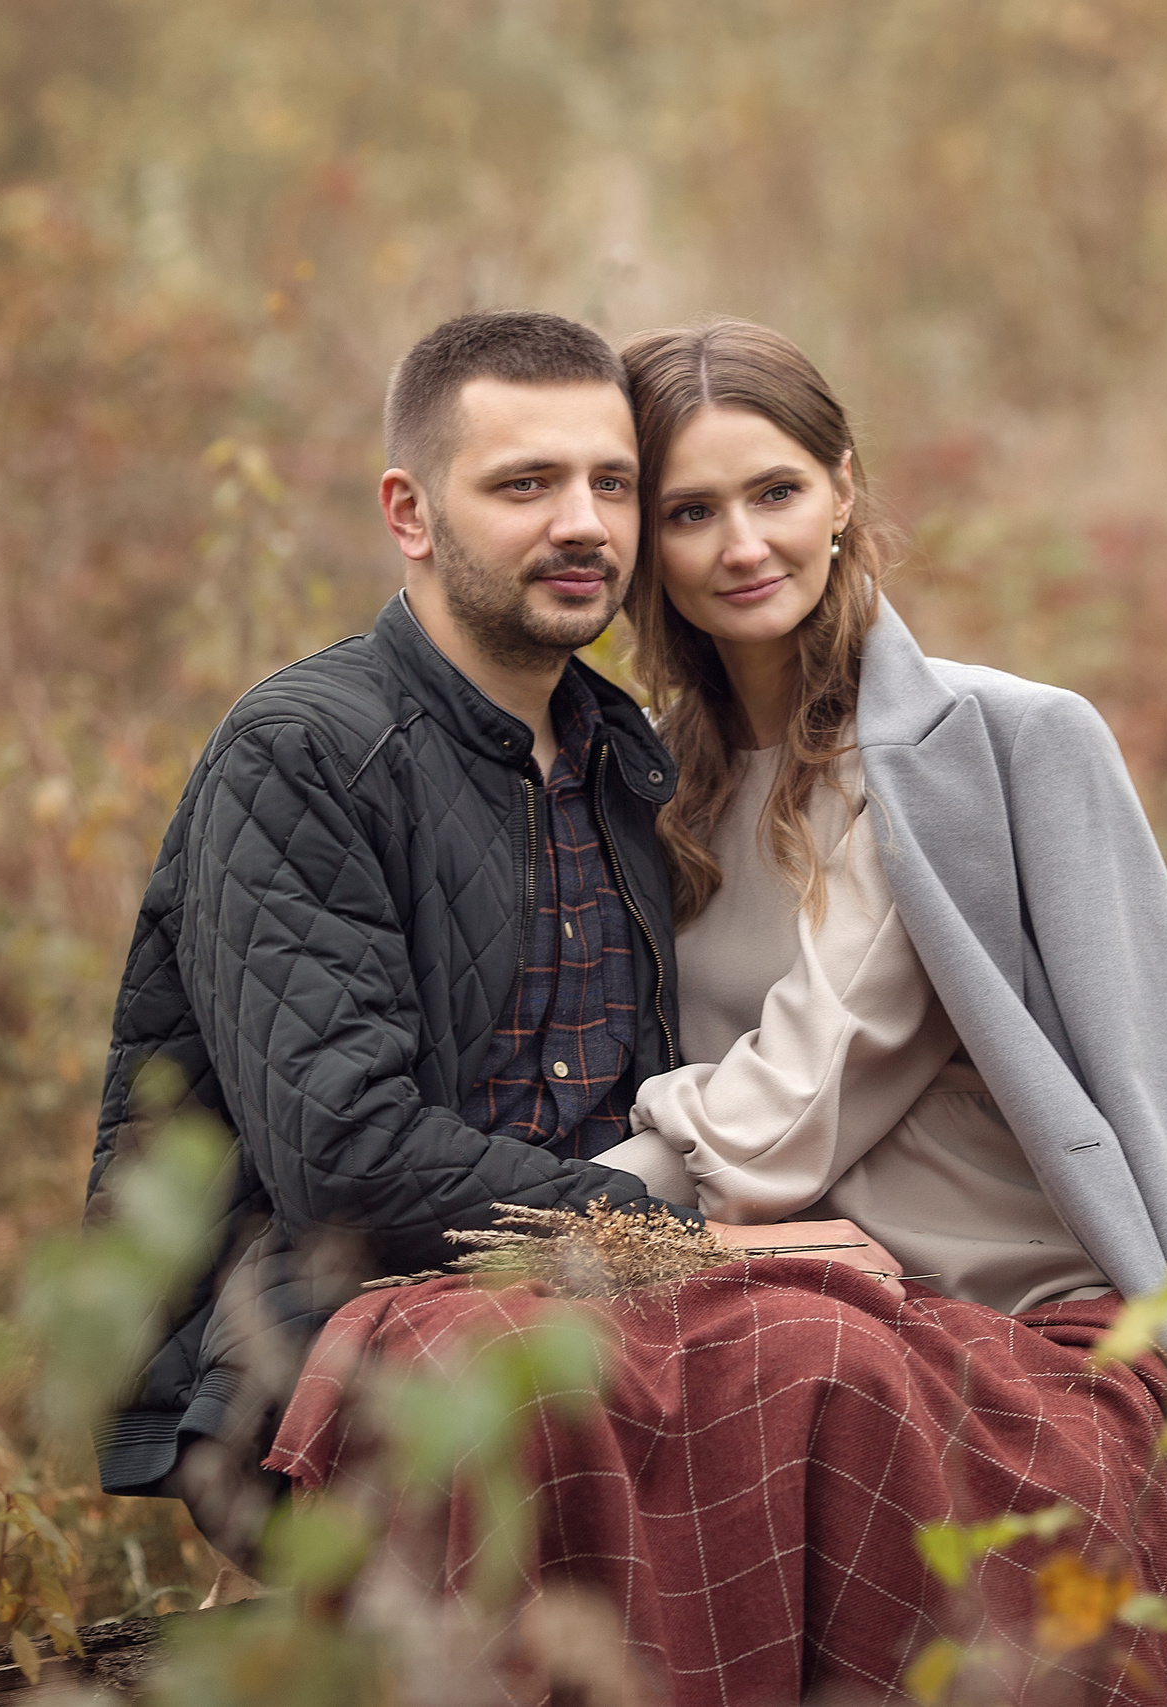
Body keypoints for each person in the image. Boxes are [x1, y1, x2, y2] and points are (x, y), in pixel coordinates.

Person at [267, 320, 1167, 1707]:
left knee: (741, 1370)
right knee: (493, 1387)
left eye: (775, 491)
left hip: (1005, 1319)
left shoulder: (983, 748)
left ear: (844, 487)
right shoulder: (649, 786)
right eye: (690, 511)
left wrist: (554, 1216)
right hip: (777, 1300)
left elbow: (792, 1122)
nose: (740, 546)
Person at [84, 310, 904, 1563]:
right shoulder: (305, 754)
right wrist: (701, 1246)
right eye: (525, 484)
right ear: (410, 512)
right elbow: (349, 1159)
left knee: (895, 1381)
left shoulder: (620, 755)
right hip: (328, 1336)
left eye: (612, 484)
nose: (583, 523)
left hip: (593, 1314)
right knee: (784, 1363)